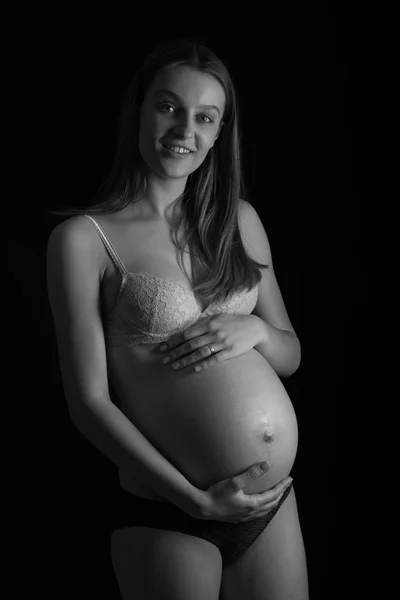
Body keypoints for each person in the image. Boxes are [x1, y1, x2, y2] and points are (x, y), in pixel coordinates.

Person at [47, 38, 309, 600]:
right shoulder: (83, 239)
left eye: (204, 117)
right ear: (139, 110)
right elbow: (87, 402)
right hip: (167, 507)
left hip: (270, 507)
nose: (183, 129)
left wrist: (259, 330)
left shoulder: (240, 220)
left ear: (218, 134)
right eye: (168, 107)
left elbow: (290, 355)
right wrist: (195, 499)